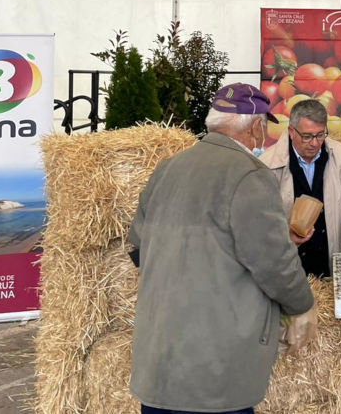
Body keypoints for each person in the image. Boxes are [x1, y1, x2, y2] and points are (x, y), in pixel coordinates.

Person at [128, 83, 313, 414]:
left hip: (158, 361)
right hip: (214, 371)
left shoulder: (167, 169)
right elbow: (274, 263)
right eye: (264, 127)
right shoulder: (250, 175)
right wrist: (301, 305)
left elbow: (138, 248)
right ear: (255, 127)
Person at [259, 99, 341, 278]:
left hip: (328, 257)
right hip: (289, 263)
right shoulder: (269, 164)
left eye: (320, 135)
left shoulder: (337, 153)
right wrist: (285, 235)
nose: (315, 143)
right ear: (291, 132)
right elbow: (260, 219)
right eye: (307, 136)